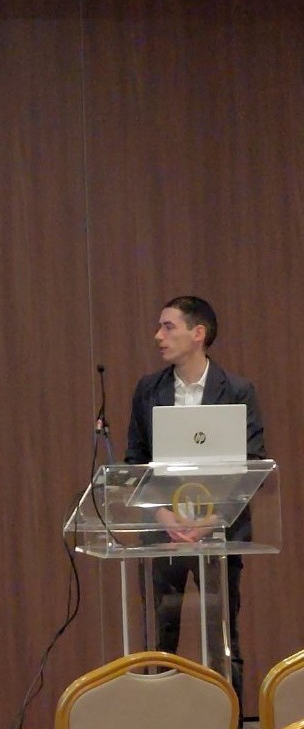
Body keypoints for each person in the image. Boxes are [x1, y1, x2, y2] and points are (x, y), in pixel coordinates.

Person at [124, 295, 266, 717]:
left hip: (219, 535)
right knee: (159, 643)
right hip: (162, 536)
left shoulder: (237, 390)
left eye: (168, 326)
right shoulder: (148, 390)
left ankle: (227, 721)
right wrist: (161, 514)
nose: (158, 336)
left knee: (222, 642)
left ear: (198, 333)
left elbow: (253, 465)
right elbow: (134, 463)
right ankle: (161, 722)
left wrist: (212, 519)